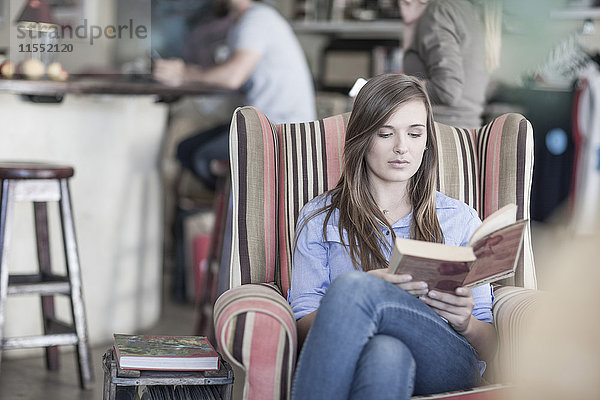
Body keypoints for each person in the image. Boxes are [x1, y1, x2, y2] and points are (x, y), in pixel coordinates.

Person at [287, 73, 497, 400]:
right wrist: (370, 295)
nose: (402, 148)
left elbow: (490, 345)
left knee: (354, 287)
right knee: (387, 355)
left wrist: (466, 321)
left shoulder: (459, 219)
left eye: (415, 133)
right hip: (363, 358)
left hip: (448, 360)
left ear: (427, 141)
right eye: (386, 133)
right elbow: (302, 325)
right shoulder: (320, 217)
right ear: (362, 138)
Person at [154, 0, 316, 189]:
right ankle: (229, 207)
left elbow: (232, 76)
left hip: (280, 128)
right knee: (186, 149)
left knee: (203, 157)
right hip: (260, 123)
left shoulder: (257, 19)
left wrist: (183, 73)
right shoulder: (244, 22)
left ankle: (249, 207)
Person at [399, 0, 502, 128]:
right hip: (466, 133)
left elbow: (447, 90)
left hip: (439, 135)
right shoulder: (470, 9)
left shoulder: (439, 11)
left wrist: (393, 88)